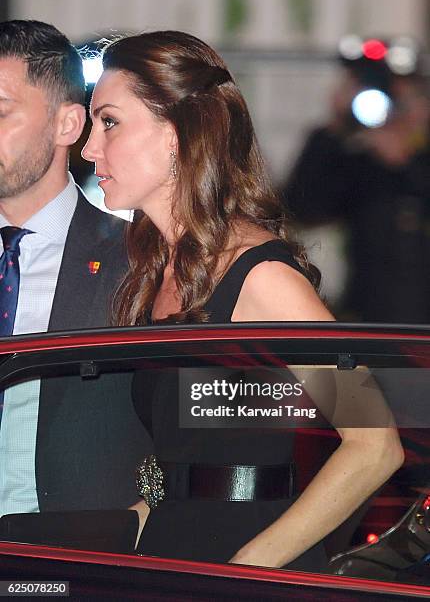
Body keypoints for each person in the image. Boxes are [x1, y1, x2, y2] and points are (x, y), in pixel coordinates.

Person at [82, 30, 404, 569]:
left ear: (177, 135)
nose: (90, 147)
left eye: (109, 121)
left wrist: (253, 564)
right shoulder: (153, 270)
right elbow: (187, 468)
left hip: (242, 565)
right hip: (172, 556)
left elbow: (375, 446)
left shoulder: (262, 278)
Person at [0, 20, 151, 518]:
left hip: (69, 558)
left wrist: (145, 511)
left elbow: (192, 427)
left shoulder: (139, 260)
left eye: (1, 113)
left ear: (67, 125)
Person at [283, 58, 430, 323]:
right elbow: (303, 208)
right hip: (369, 312)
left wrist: (407, 163)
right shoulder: (356, 153)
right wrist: (335, 131)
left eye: (405, 97)